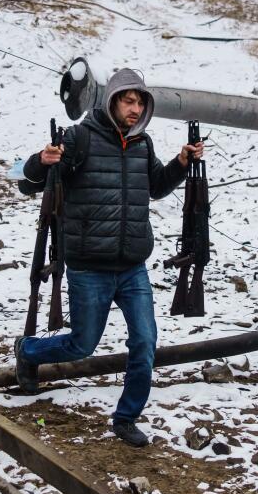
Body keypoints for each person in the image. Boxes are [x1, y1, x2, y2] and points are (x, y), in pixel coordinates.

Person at [13, 68, 203, 447]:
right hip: (89, 266)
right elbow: (24, 180)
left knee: (146, 342)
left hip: (133, 265)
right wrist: (40, 160)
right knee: (82, 345)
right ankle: (28, 350)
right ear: (112, 101)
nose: (135, 109)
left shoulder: (142, 144)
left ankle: (126, 417)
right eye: (127, 100)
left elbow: (156, 188)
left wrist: (181, 163)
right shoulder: (79, 138)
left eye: (140, 103)